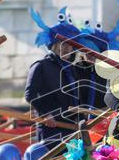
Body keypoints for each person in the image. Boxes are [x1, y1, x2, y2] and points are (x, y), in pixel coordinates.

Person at [24, 18, 107, 147]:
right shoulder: (41, 65)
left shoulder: (71, 68)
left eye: (71, 45)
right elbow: (30, 94)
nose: (68, 48)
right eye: (63, 44)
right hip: (51, 128)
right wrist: (45, 114)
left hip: (71, 128)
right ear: (54, 45)